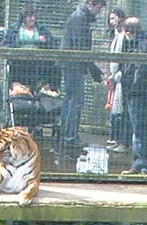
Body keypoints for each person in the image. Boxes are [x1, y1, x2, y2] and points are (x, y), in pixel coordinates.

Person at [59, 0, 106, 149]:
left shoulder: (80, 16)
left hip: (73, 64)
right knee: (76, 101)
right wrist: (94, 69)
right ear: (93, 5)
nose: (100, 12)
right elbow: (80, 46)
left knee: (70, 100)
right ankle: (70, 137)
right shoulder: (79, 18)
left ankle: (67, 135)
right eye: (100, 8)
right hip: (74, 65)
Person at [121, 17, 147, 173]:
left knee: (140, 130)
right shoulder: (143, 44)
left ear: (128, 31)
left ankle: (145, 165)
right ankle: (139, 163)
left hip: (140, 95)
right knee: (139, 130)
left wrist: (131, 89)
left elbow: (141, 72)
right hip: (144, 94)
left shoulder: (142, 46)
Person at [3, 5, 56, 93]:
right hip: (18, 65)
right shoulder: (14, 29)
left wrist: (44, 41)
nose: (33, 19)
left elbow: (52, 45)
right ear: (24, 17)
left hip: (38, 66)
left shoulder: (43, 30)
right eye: (30, 16)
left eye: (34, 16)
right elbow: (5, 45)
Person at [103, 8, 129, 153]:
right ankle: (114, 137)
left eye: (114, 18)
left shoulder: (124, 35)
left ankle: (121, 140)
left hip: (122, 77)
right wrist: (109, 75)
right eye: (110, 18)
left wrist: (117, 75)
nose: (111, 21)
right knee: (113, 108)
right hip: (114, 76)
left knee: (120, 110)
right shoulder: (113, 35)